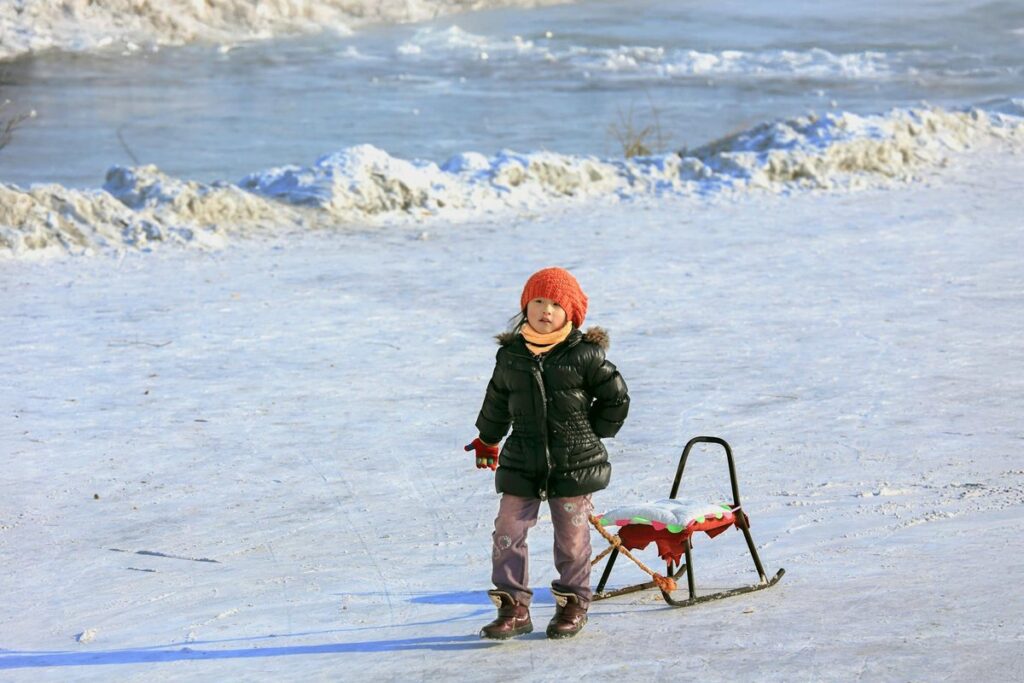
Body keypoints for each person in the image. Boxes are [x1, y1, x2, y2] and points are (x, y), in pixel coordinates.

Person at [466, 267, 630, 640]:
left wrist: (595, 431)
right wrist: (488, 438)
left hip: (573, 463)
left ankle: (573, 602)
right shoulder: (511, 356)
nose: (545, 309)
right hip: (522, 459)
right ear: (526, 306)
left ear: (570, 312)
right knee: (507, 530)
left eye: (556, 303)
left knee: (571, 536)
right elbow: (496, 400)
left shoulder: (584, 354)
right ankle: (513, 606)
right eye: (538, 301)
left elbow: (615, 397)